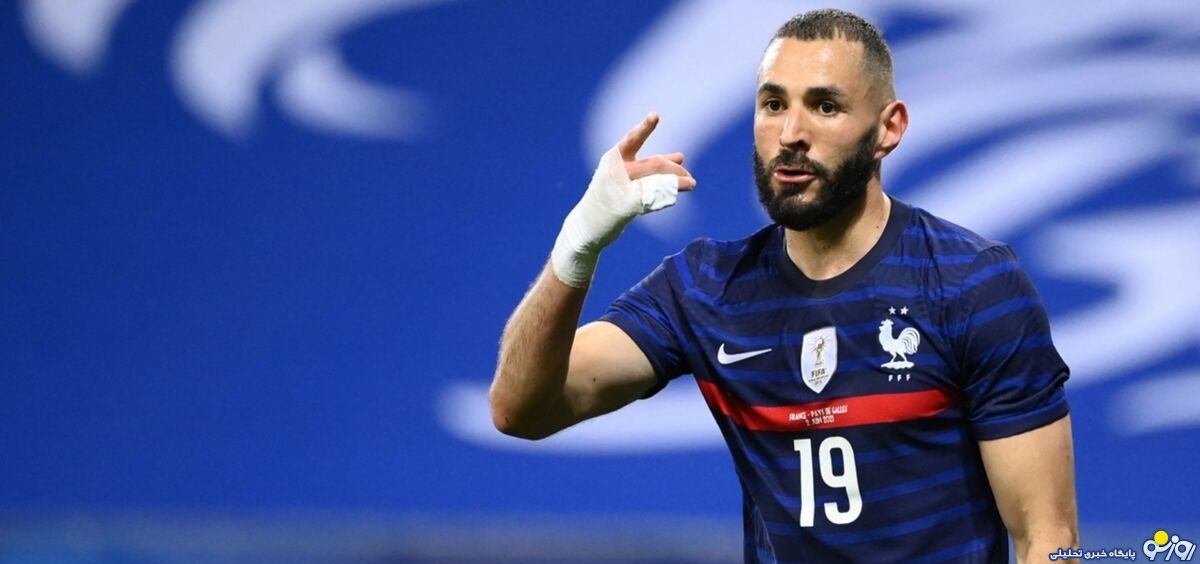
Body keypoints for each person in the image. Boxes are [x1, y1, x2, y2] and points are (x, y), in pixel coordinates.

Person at [489, 8, 1078, 563]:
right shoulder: (703, 289)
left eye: (825, 106)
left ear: (888, 128)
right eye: (773, 104)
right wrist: (578, 243)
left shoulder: (973, 284)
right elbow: (521, 410)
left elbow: (1048, 538)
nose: (791, 132)